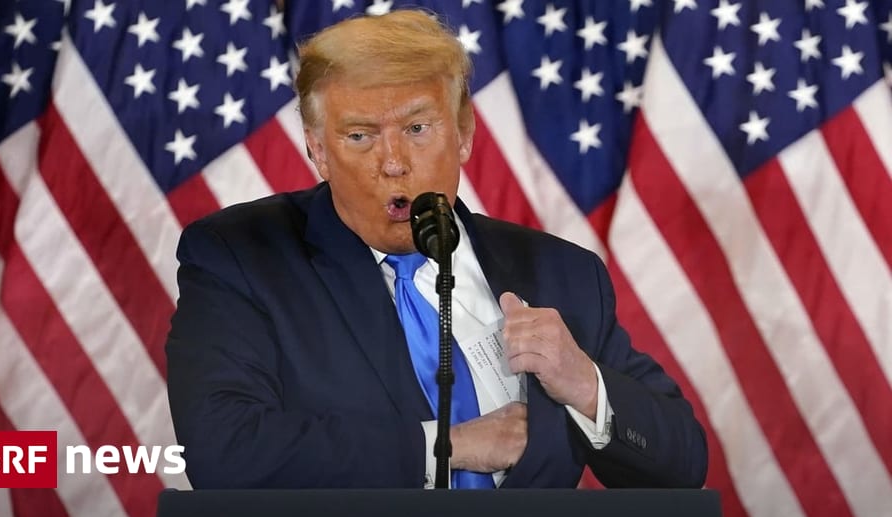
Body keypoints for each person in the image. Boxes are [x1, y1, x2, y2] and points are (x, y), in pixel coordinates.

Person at [166, 9, 707, 490]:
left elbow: (682, 467)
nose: (394, 162)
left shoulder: (562, 273)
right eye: (359, 135)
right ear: (317, 148)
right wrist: (448, 446)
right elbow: (223, 450)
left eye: (418, 127)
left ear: (464, 132)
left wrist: (585, 384)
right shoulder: (242, 257)